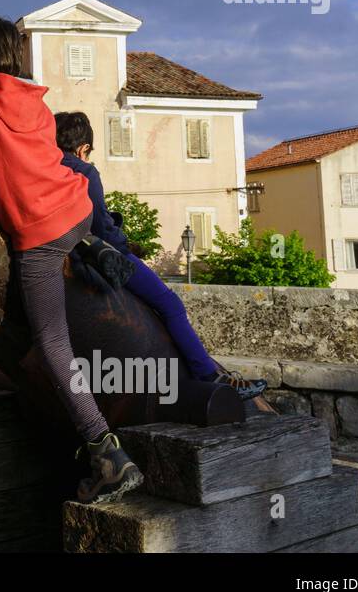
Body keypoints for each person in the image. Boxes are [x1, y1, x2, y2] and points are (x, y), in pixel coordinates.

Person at [0, 16, 144, 504]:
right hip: (76, 209)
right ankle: (91, 247)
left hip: (38, 236)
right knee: (71, 237)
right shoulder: (34, 99)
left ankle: (106, 452)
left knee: (51, 344)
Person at [53, 110, 266, 399]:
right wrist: (127, 246)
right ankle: (209, 375)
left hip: (56, 254)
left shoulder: (46, 169)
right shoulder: (84, 171)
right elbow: (102, 227)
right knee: (170, 304)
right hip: (91, 256)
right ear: (84, 148)